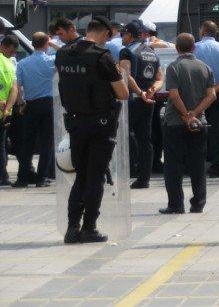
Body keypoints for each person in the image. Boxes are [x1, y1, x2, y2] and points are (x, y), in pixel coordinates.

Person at [55, 17, 129, 244]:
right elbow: (123, 93)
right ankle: (89, 227)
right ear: (106, 34)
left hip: (75, 123)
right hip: (101, 125)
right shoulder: (101, 56)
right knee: (95, 177)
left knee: (81, 176)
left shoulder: (62, 54)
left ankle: (71, 228)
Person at [161, 33, 217, 215]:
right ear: (194, 48)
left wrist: (185, 114)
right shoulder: (205, 68)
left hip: (175, 123)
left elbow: (174, 94)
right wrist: (196, 113)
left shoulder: (173, 67)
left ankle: (176, 204)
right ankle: (198, 203)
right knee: (197, 164)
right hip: (199, 123)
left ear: (177, 48)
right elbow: (212, 95)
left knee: (173, 165)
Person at [118, 19, 162, 190]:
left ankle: (132, 168)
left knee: (126, 134)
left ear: (129, 35)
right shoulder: (152, 52)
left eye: (123, 34)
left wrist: (140, 92)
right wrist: (151, 91)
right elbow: (160, 78)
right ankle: (145, 178)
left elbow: (125, 76)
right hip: (148, 101)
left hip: (133, 100)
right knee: (145, 138)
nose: (122, 37)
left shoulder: (126, 52)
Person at [13, 32, 56, 187]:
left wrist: (21, 104)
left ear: (33, 44)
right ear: (46, 44)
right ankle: (41, 177)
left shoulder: (23, 64)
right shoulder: (51, 60)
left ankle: (22, 178)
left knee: (28, 142)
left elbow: (17, 87)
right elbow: (65, 53)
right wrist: (52, 44)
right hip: (47, 104)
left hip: (31, 105)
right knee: (46, 142)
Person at [193, 21, 219, 178]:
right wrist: (214, 91)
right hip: (217, 94)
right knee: (216, 129)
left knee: (196, 128)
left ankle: (197, 164)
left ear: (202, 32)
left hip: (197, 95)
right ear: (216, 33)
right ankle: (216, 166)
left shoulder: (194, 48)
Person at [0, 35, 17, 186]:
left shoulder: (7, 62)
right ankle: (3, 176)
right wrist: (7, 109)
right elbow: (14, 89)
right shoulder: (10, 64)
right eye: (11, 51)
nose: (12, 54)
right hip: (5, 114)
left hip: (3, 110)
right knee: (2, 146)